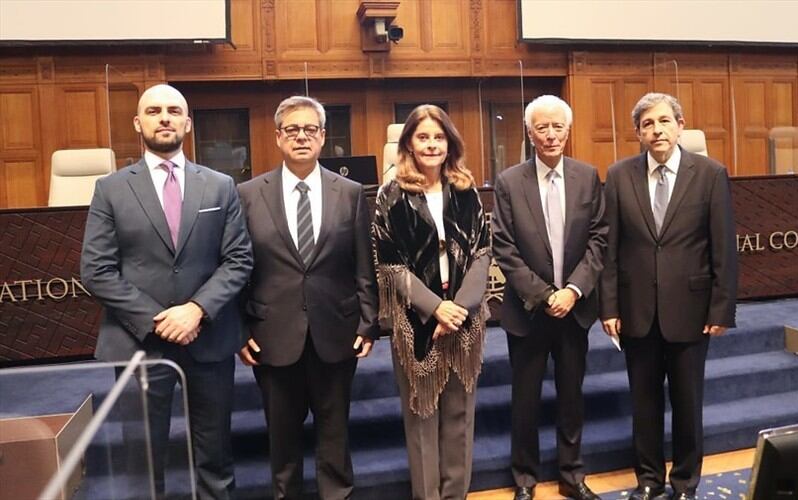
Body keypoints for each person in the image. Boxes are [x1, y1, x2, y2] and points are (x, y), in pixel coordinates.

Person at [80, 84, 253, 498]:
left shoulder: (220, 186)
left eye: (174, 110)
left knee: (215, 458)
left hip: (207, 337)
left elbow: (239, 259)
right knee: (143, 459)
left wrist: (195, 310)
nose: (164, 117)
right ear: (138, 123)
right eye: (154, 110)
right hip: (139, 342)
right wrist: (159, 319)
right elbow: (96, 269)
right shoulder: (111, 189)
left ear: (188, 123)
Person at [236, 95, 379, 500]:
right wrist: (240, 328)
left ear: (322, 137)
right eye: (292, 130)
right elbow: (237, 267)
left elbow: (363, 264)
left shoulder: (350, 193)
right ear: (278, 137)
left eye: (310, 129)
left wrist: (369, 321)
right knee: (282, 441)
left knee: (335, 435)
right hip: (271, 335)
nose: (302, 137)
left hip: (336, 331)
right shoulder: (248, 194)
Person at [600, 93, 738, 500]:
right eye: (647, 124)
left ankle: (684, 483)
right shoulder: (619, 175)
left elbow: (723, 249)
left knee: (687, 403)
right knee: (643, 406)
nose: (656, 130)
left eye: (663, 121)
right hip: (636, 310)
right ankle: (648, 480)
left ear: (680, 125)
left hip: (692, 310)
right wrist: (608, 306)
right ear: (638, 133)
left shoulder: (710, 174)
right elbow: (610, 250)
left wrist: (721, 308)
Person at [491, 95, 608, 500]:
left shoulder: (588, 177)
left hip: (574, 311)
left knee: (571, 397)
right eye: (542, 127)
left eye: (558, 126)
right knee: (525, 401)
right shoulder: (508, 182)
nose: (551, 134)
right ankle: (524, 479)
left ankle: (571, 475)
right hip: (528, 312)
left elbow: (599, 240)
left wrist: (573, 291)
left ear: (568, 130)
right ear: (530, 132)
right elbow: (504, 248)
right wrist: (545, 296)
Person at [372, 104, 490, 500]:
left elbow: (482, 252)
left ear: (450, 143)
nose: (431, 144)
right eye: (423, 137)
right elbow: (389, 263)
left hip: (465, 318)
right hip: (415, 323)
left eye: (439, 137)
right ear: (408, 143)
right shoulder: (391, 195)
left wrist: (459, 307)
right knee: (422, 418)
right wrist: (434, 307)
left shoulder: (465, 190)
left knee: (460, 417)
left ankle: (456, 495)